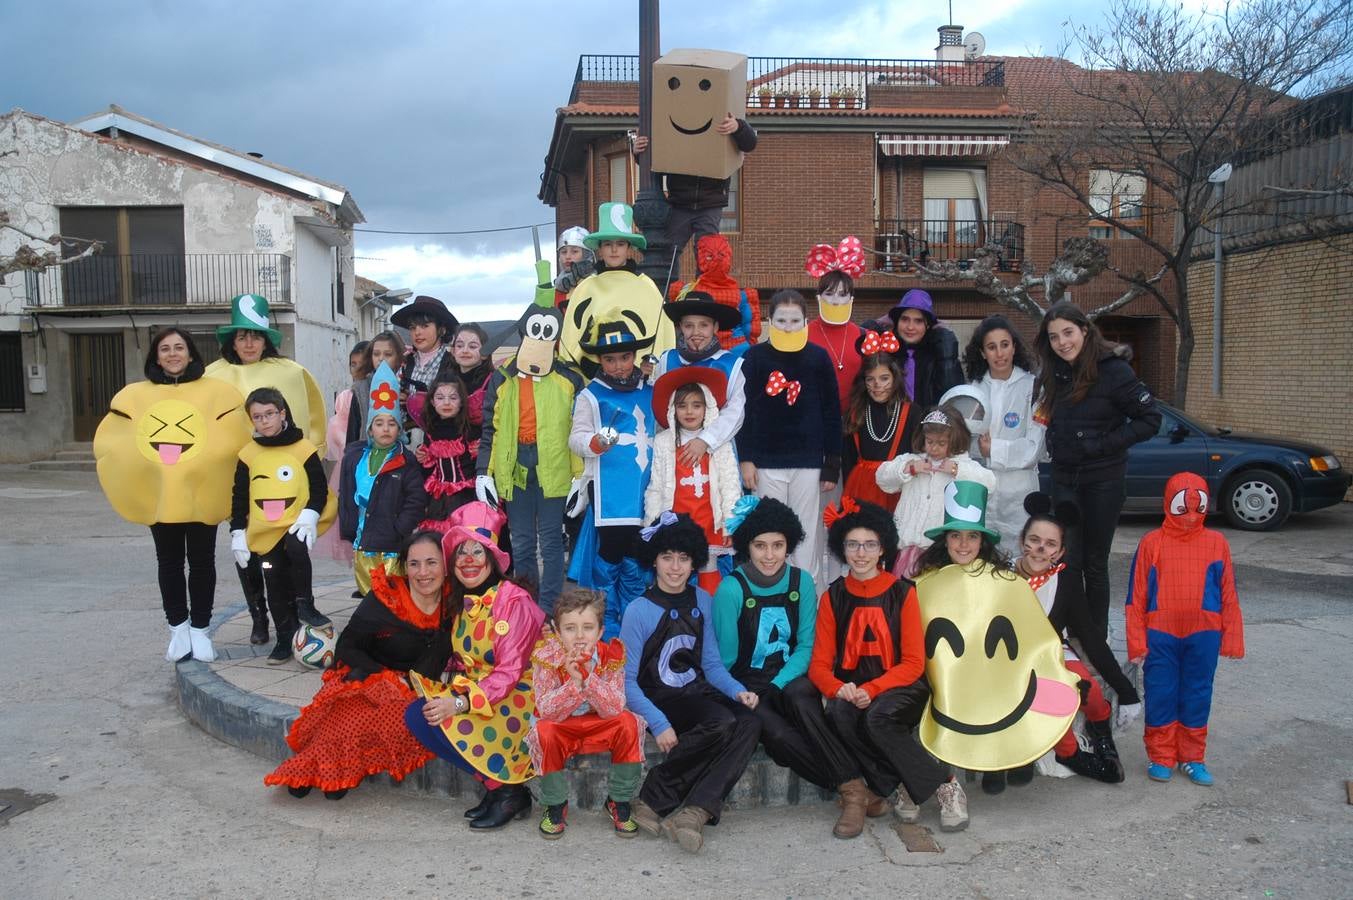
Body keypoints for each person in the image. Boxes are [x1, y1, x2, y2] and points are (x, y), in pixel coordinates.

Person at [712, 496, 883, 839]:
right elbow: (724, 658)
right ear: (748, 546)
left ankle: (851, 794)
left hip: (789, 676)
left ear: (789, 544)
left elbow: (807, 645)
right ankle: (854, 791)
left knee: (803, 697)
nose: (770, 554)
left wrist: (778, 684)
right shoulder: (730, 589)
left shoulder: (801, 582)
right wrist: (739, 694)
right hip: (747, 683)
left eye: (778, 545)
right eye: (760, 546)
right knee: (776, 737)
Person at [908, 481, 1081, 795]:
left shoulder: (1002, 579)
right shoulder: (925, 581)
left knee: (1008, 680)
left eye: (972, 536)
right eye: (956, 535)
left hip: (995, 665)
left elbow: (1024, 628)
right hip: (946, 668)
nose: (963, 544)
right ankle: (984, 760)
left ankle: (1007, 758)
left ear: (981, 540)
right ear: (944, 539)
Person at [809, 498, 968, 833]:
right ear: (842, 548)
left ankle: (947, 785)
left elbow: (913, 663)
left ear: (883, 549)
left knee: (878, 718)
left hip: (901, 687)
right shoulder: (832, 597)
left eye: (870, 545)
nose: (861, 553)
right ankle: (901, 785)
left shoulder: (903, 593)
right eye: (853, 544)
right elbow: (820, 665)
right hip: (855, 688)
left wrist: (873, 689)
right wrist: (839, 688)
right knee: (838, 712)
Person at [92, 327, 250, 661]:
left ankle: (200, 629)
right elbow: (116, 440)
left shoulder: (216, 392)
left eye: (179, 347)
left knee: (203, 562)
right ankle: (177, 627)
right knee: (169, 563)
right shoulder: (137, 394)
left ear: (191, 353)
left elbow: (235, 436)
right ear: (156, 356)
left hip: (203, 493)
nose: (173, 354)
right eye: (165, 349)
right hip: (159, 495)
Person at [263, 531, 454, 800]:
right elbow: (347, 647)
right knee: (347, 711)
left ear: (446, 565)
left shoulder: (455, 603)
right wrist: (381, 678)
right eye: (414, 564)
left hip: (413, 688)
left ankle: (334, 771)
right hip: (368, 671)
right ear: (404, 566)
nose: (423, 572)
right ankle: (314, 768)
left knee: (378, 719)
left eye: (432, 562)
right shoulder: (386, 598)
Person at [620, 513, 761, 853]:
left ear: (694, 561)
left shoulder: (702, 600)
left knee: (750, 721)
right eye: (667, 557)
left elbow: (711, 664)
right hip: (658, 698)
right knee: (723, 722)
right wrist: (659, 723)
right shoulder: (638, 610)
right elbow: (625, 681)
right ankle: (653, 796)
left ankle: (696, 810)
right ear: (653, 559)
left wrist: (736, 690)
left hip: (696, 692)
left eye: (683, 558)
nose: (675, 567)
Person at [404, 502, 546, 829]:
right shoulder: (464, 602)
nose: (469, 560)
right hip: (482, 691)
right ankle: (500, 789)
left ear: (493, 558)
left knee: (434, 716)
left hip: (520, 700)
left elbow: (509, 673)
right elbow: (467, 656)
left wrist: (458, 702)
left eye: (478, 551)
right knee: (418, 713)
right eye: (461, 552)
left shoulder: (513, 600)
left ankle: (508, 791)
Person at [1034, 300, 1161, 639]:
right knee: (1067, 560)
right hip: (1064, 478)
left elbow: (1150, 420)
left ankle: (1095, 636)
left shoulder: (1114, 370)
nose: (1062, 342)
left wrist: (1100, 445)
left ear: (1085, 331)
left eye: (1068, 333)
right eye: (1054, 336)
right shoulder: (1055, 372)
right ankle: (1068, 633)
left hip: (1103, 480)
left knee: (1094, 562)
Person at [205, 293, 327, 645]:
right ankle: (258, 615)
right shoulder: (213, 376)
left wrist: (310, 458)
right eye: (241, 335)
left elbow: (313, 413)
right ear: (232, 340)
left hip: (282, 479)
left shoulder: (290, 372)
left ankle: (290, 612)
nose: (248, 342)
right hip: (238, 472)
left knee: (285, 551)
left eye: (255, 335)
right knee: (246, 550)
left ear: (266, 339)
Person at [1007, 493, 1139, 793]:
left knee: (1088, 690)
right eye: (1034, 539)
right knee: (1051, 705)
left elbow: (1090, 636)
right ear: (1021, 541)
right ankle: (1071, 754)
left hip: (1053, 652)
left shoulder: (1065, 581)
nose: (1040, 549)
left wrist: (1126, 690)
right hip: (1013, 661)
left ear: (1060, 552)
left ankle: (1100, 726)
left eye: (1050, 544)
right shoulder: (1002, 575)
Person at [1126, 471, 1244, 786]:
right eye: (1183, 507)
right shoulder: (1152, 542)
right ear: (1169, 504)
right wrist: (1137, 641)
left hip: (1204, 632)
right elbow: (1136, 596)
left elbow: (1228, 591)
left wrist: (1232, 634)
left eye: (1198, 507)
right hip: (1160, 633)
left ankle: (1193, 757)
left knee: (1197, 693)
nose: (1191, 515)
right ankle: (1162, 755)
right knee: (1161, 692)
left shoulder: (1217, 542)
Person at [477, 283, 584, 613]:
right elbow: (490, 429)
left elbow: (579, 427)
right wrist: (485, 471)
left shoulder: (570, 378)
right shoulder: (503, 376)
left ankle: (550, 610)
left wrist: (581, 476)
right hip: (515, 466)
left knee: (552, 542)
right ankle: (527, 608)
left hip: (555, 465)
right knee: (522, 541)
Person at [737, 289, 842, 589]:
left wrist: (831, 463)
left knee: (806, 533)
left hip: (808, 462)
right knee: (769, 531)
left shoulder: (818, 358)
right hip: (767, 462)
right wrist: (746, 458)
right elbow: (742, 412)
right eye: (781, 320)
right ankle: (769, 592)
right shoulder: (754, 357)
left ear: (805, 321)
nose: (788, 325)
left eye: (795, 320)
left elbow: (832, 412)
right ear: (770, 320)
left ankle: (807, 596)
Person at [524, 588, 645, 840]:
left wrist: (588, 680)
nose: (579, 637)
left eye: (588, 628)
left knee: (628, 722)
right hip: (561, 725)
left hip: (597, 723)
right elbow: (547, 711)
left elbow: (614, 706)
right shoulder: (546, 657)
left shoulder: (611, 655)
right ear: (557, 632)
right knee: (544, 731)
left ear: (600, 631)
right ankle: (555, 802)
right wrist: (574, 685)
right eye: (570, 628)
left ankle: (618, 800)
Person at [230, 387, 336, 663]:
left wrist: (311, 513)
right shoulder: (248, 455)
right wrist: (237, 531)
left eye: (269, 414)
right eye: (257, 416)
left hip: (296, 523)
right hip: (265, 529)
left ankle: (305, 604)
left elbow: (318, 487)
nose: (264, 421)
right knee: (273, 578)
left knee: (296, 550)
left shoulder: (303, 449)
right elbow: (240, 496)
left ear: (282, 414)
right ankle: (284, 636)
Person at [569, 314, 657, 633]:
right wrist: (595, 441)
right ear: (599, 360)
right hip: (610, 494)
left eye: (625, 357)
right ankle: (607, 622)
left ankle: (634, 619)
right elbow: (576, 438)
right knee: (610, 554)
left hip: (646, 490)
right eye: (610, 359)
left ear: (635, 356)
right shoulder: (591, 395)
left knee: (638, 555)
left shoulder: (651, 389)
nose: (619, 365)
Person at [645, 366, 740, 595]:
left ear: (707, 408)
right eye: (682, 405)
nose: (689, 411)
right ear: (672, 410)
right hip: (676, 521)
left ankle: (709, 621)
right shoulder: (663, 442)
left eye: (696, 405)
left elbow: (729, 484)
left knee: (708, 573)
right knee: (676, 571)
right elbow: (656, 487)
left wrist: (731, 522)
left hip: (709, 520)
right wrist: (652, 522)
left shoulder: (719, 442)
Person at [338, 361, 428, 595]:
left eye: (391, 424)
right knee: (368, 594)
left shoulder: (406, 461)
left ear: (399, 430)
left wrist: (400, 528)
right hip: (362, 540)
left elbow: (416, 499)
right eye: (379, 423)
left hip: (391, 546)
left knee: (394, 596)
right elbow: (346, 494)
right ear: (370, 429)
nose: (385, 429)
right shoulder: (354, 458)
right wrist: (347, 525)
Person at [557, 202, 677, 377]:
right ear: (599, 248)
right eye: (607, 244)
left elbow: (662, 338)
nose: (614, 250)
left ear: (629, 247)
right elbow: (570, 342)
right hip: (595, 387)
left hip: (640, 386)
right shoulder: (586, 287)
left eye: (620, 244)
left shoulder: (647, 286)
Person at [875, 405, 995, 578]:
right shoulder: (913, 460)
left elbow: (990, 484)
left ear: (955, 440)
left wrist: (956, 470)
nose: (934, 448)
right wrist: (908, 469)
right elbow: (882, 478)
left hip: (943, 553)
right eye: (929, 441)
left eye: (941, 443)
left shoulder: (964, 464)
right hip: (907, 550)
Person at [960, 314, 1045, 549]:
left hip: (1020, 493)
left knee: (1020, 557)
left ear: (1014, 347)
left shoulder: (1035, 389)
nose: (999, 354)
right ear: (981, 352)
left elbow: (1035, 447)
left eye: (1005, 345)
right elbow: (962, 441)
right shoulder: (972, 391)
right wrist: (979, 448)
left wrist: (992, 449)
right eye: (991, 347)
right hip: (980, 491)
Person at [631, 114, 758, 264]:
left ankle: (703, 287)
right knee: (668, 252)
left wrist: (738, 126)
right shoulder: (676, 118)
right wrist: (639, 154)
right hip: (680, 203)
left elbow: (750, 143)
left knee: (708, 253)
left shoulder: (724, 112)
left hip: (710, 203)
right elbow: (659, 161)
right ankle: (670, 286)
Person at [651, 291, 748, 462]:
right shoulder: (666, 360)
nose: (696, 332)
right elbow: (657, 408)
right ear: (680, 326)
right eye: (689, 326)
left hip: (716, 453)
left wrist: (705, 440)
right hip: (673, 453)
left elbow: (735, 412)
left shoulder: (730, 365)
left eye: (704, 325)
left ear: (715, 327)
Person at [841, 350, 914, 513]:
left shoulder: (911, 412)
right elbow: (848, 460)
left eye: (884, 378)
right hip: (861, 488)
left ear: (895, 378)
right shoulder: (855, 413)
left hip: (896, 487)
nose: (877, 385)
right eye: (870, 379)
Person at [666, 235, 761, 354]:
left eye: (720, 255)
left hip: (700, 350)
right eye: (711, 256)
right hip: (736, 350)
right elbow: (751, 330)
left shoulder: (687, 290)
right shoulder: (742, 295)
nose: (716, 259)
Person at [805, 236, 868, 408]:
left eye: (842, 294)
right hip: (815, 421)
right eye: (829, 293)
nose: (835, 300)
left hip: (854, 422)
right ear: (819, 297)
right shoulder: (802, 335)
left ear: (851, 299)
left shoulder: (864, 337)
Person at [875, 289, 963, 409]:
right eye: (905, 319)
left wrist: (947, 357)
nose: (910, 327)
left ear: (927, 325)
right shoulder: (886, 353)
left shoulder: (939, 355)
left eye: (918, 321)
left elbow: (953, 398)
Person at [413, 373, 476, 532]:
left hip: (468, 495)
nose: (446, 403)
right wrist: (423, 457)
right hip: (439, 497)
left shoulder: (471, 430)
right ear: (433, 402)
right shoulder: (430, 430)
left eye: (453, 398)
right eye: (440, 398)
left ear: (462, 401)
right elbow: (428, 468)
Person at [391, 294, 460, 432]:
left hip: (442, 442)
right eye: (413, 327)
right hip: (407, 443)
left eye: (424, 326)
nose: (417, 332)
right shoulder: (405, 364)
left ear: (442, 329)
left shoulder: (453, 366)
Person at [344, 331, 406, 447]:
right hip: (366, 455)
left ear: (398, 357)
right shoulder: (361, 388)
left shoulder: (406, 386)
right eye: (376, 354)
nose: (381, 358)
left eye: (388, 354)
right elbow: (353, 431)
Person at [449, 323, 493, 433]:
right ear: (453, 351)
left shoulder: (493, 382)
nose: (465, 350)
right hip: (451, 446)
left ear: (485, 353)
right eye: (459, 345)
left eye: (472, 346)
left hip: (483, 446)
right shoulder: (445, 380)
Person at [552, 226, 596, 312]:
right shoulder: (555, 290)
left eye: (574, 251)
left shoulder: (595, 284)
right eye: (564, 252)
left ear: (586, 255)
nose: (568, 257)